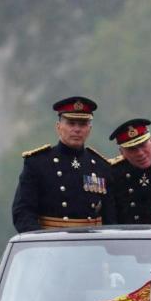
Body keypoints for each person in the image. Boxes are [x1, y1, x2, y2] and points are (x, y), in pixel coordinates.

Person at [12, 96, 115, 232]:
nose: (77, 129)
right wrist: (41, 243)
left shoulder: (101, 166)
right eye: (71, 123)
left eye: (82, 124)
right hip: (52, 245)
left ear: (89, 129)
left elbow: (111, 218)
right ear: (59, 127)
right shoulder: (38, 163)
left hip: (91, 245)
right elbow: (23, 212)